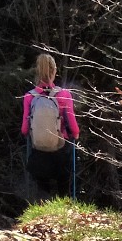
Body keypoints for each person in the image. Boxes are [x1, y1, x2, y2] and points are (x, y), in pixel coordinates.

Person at [22, 53, 80, 199]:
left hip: (39, 150)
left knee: (42, 190)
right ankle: (66, 214)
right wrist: (75, 134)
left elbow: (24, 129)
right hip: (61, 149)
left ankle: (41, 215)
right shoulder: (64, 95)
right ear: (54, 71)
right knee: (64, 186)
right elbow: (74, 127)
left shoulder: (30, 96)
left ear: (37, 72)